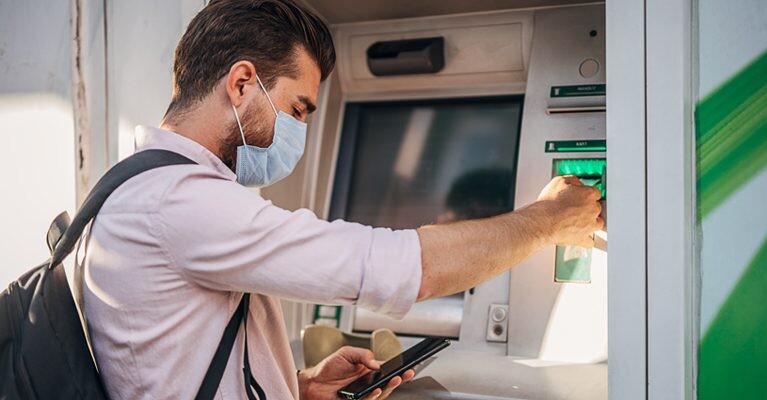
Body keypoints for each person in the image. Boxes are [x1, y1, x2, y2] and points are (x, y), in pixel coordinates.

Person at [81, 0, 603, 399]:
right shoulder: (180, 202)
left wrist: (297, 387)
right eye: (299, 108)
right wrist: (550, 220)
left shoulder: (139, 184)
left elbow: (178, 365)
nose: (301, 128)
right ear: (241, 83)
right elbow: (397, 267)